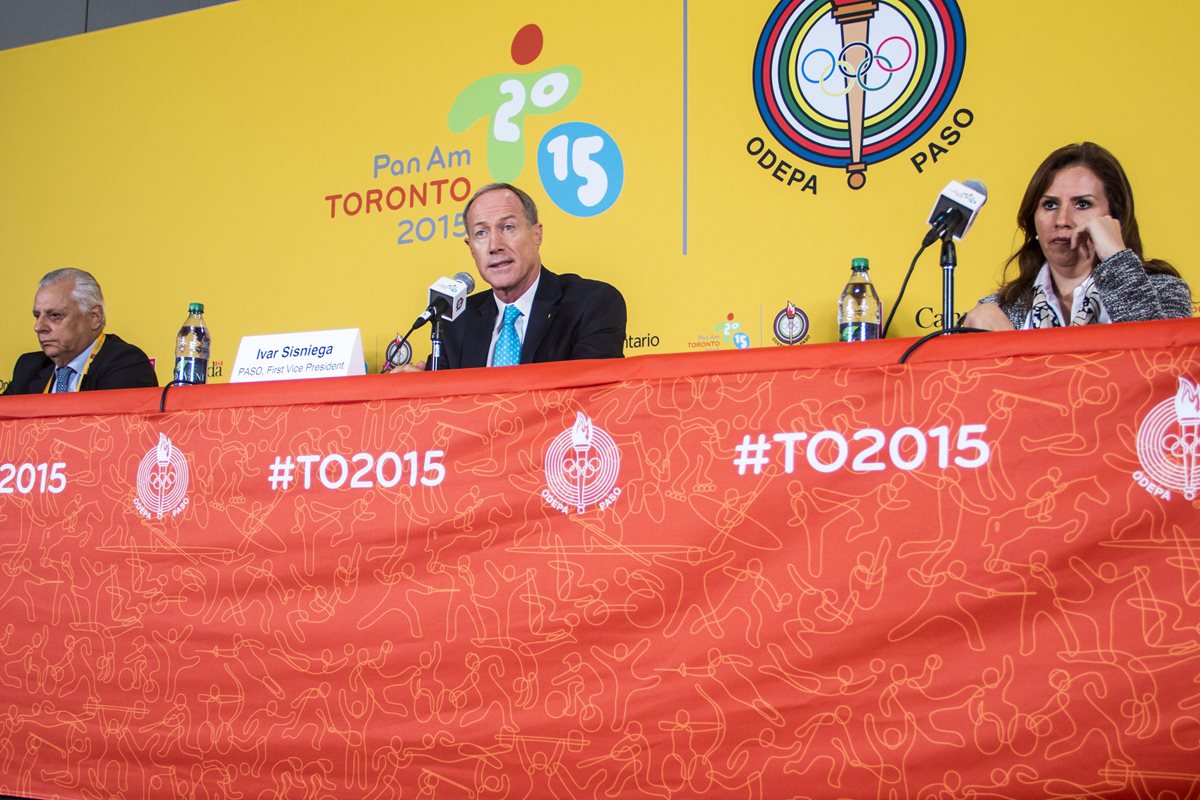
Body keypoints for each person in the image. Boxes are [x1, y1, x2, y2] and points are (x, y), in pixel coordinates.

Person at [962, 142, 1193, 331]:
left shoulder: (1164, 291)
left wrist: (1116, 256)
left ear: (1115, 216)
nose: (1062, 220)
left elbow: (1162, 365)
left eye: (1082, 204)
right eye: (1050, 204)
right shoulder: (998, 310)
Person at [403, 182, 626, 370]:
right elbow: (443, 409)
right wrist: (417, 390)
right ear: (471, 248)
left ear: (536, 235)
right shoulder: (456, 322)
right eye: (481, 233)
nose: (494, 246)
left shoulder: (592, 303)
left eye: (508, 227)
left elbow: (592, 398)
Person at [3, 268, 158, 395]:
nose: (38, 327)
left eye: (55, 315)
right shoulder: (29, 367)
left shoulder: (126, 364)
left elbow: (109, 430)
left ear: (94, 317)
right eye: (37, 316)